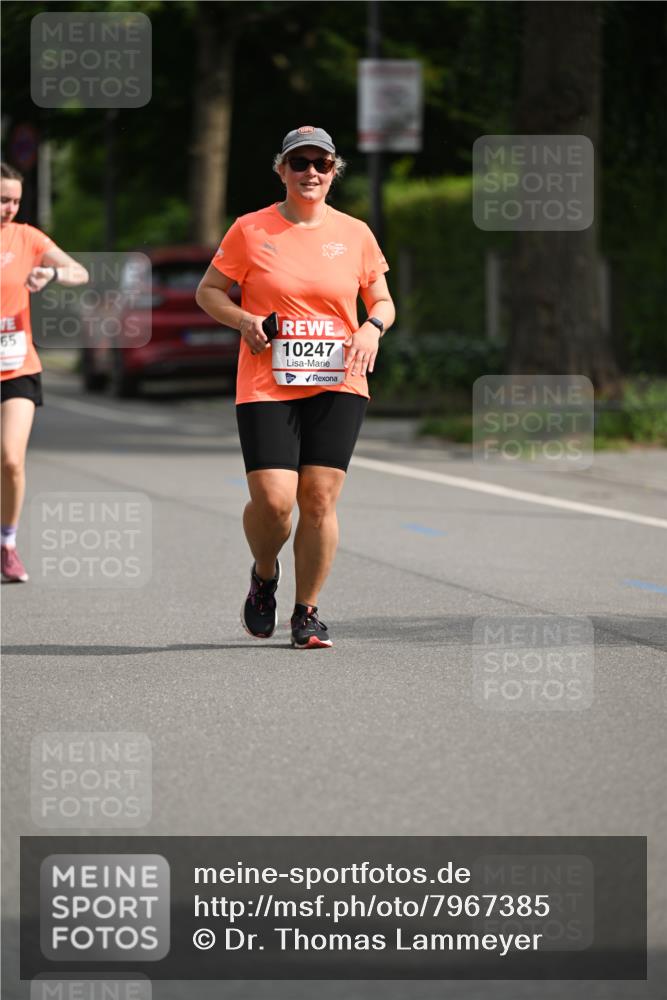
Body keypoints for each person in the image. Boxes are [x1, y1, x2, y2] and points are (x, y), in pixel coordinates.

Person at [196, 126, 395, 649]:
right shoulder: (250, 229)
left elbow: (382, 301)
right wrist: (243, 320)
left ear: (334, 172)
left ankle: (307, 613)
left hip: (340, 376)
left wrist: (372, 328)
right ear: (281, 170)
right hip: (267, 377)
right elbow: (209, 292)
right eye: (299, 162)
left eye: (321, 164)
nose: (311, 172)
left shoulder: (355, 233)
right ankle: (265, 575)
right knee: (275, 500)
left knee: (320, 499)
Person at [1, 162, 88, 582]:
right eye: (2, 199)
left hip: (18, 365)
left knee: (11, 460)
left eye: (15, 200)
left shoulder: (28, 237)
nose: (9, 208)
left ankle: (7, 543)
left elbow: (79, 272)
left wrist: (50, 272)